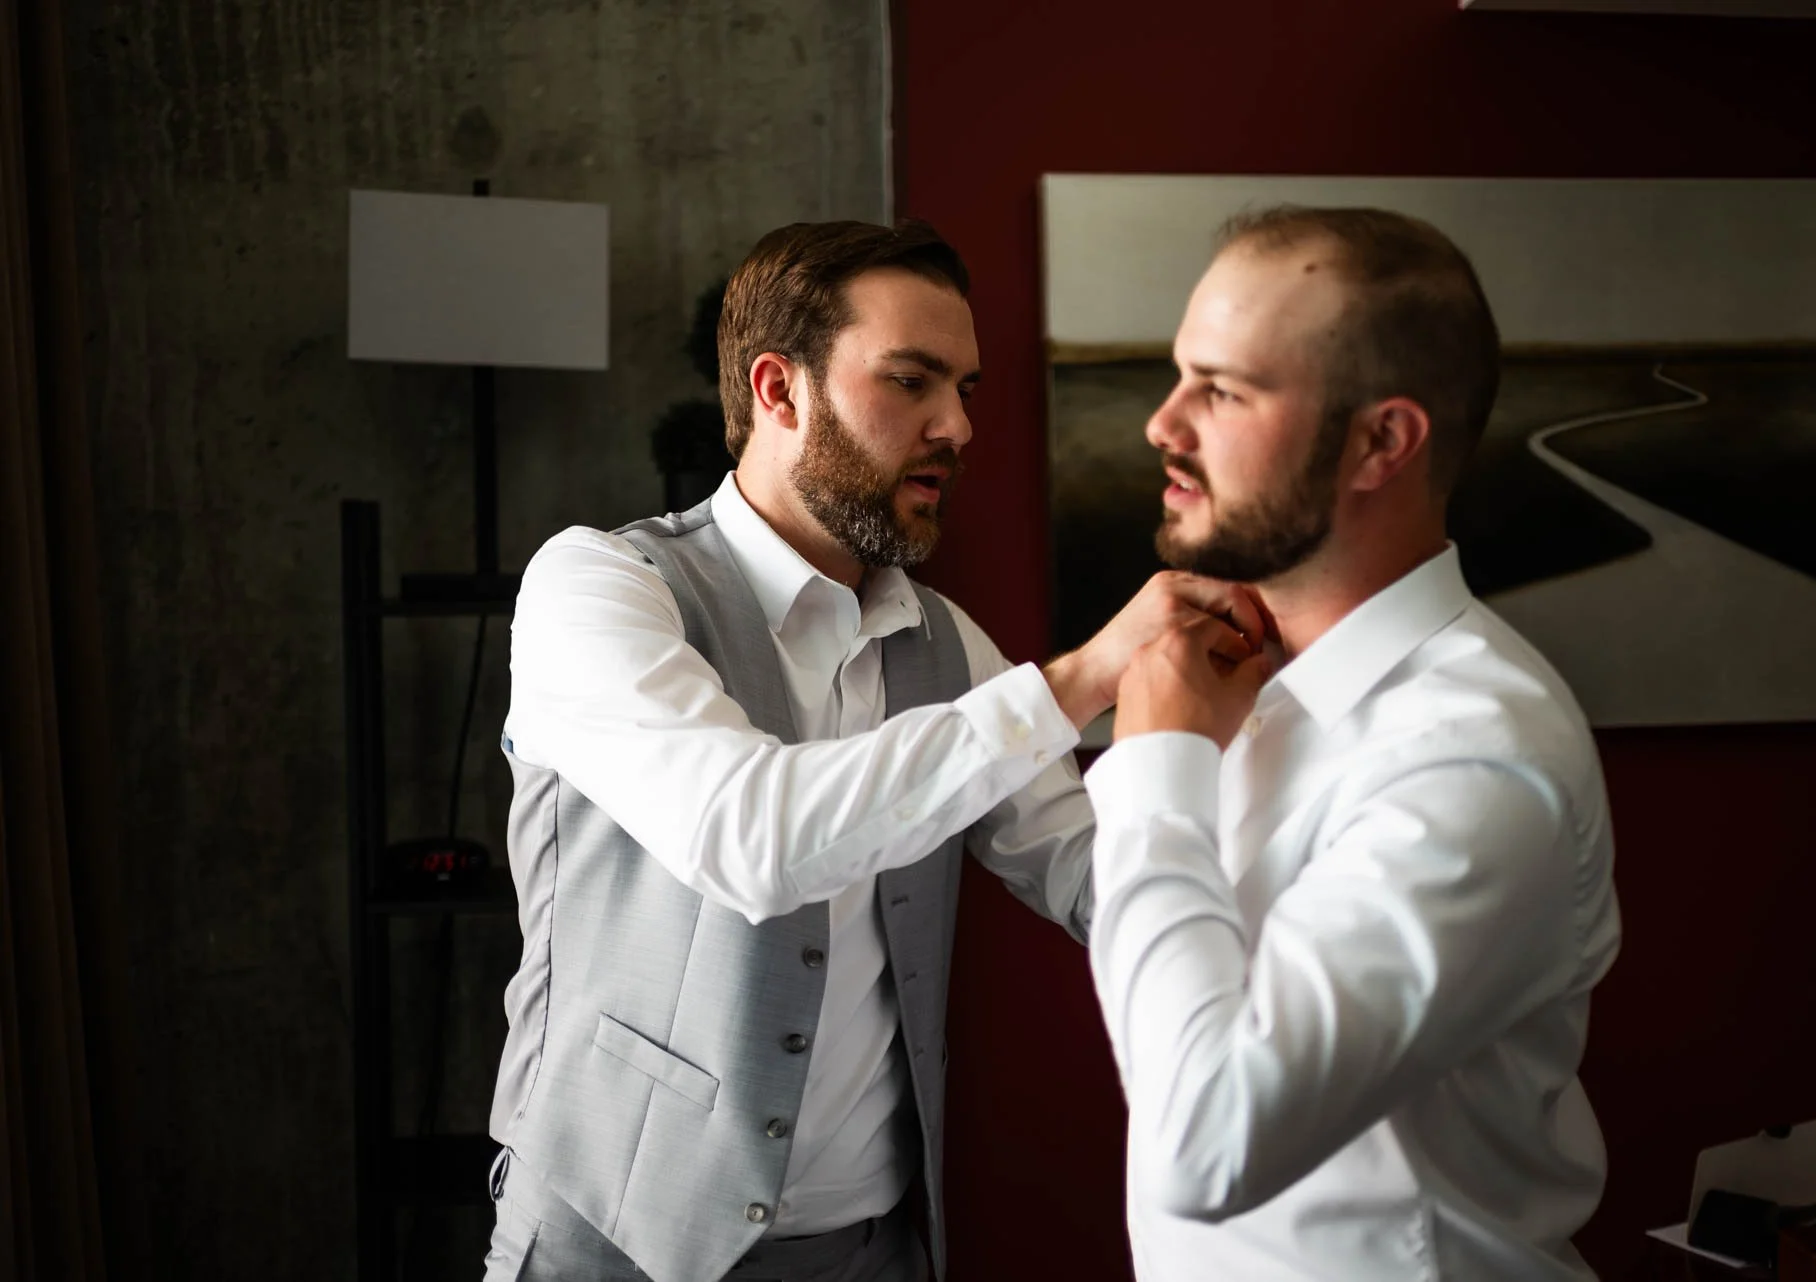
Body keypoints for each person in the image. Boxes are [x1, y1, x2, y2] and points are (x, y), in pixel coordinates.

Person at [483, 219, 1267, 1282]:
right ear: (779, 390)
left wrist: (1248, 770)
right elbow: (748, 836)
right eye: (912, 380)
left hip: (876, 1247)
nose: (958, 426)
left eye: (967, 389)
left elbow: (1091, 877)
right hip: (617, 1238)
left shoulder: (951, 646)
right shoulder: (599, 588)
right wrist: (1086, 676)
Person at [1084, 206, 1622, 1281]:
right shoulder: (1232, 683)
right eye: (1179, 374)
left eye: (1223, 390)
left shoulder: (1477, 759)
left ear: (1384, 440)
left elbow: (1205, 1140)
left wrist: (1154, 765)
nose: (1163, 423)